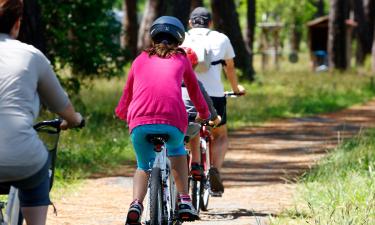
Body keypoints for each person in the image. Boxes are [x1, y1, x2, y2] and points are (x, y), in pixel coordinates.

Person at [115, 16, 210, 224]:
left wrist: (122, 113)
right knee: (177, 152)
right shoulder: (182, 59)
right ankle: (184, 200)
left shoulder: (140, 59)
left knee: (143, 165)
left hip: (140, 121)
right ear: (179, 40)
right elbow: (194, 90)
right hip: (172, 120)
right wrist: (204, 113)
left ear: (153, 37)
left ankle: (136, 204)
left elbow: (127, 92)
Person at [0, 0, 84, 225]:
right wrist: (75, 120)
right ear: (16, 24)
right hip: (23, 158)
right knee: (37, 172)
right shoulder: (31, 56)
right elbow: (62, 106)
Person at [182, 7, 246, 194]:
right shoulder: (221, 38)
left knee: (186, 131)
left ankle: (187, 167)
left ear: (190, 23)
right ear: (210, 23)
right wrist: (236, 89)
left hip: (185, 93)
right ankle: (215, 169)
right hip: (215, 96)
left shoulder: (182, 38)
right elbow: (230, 68)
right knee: (220, 134)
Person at [181, 47, 221, 180]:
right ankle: (196, 164)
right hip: (189, 123)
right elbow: (207, 102)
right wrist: (214, 117)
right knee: (196, 131)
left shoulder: (166, 81)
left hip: (168, 121)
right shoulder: (195, 83)